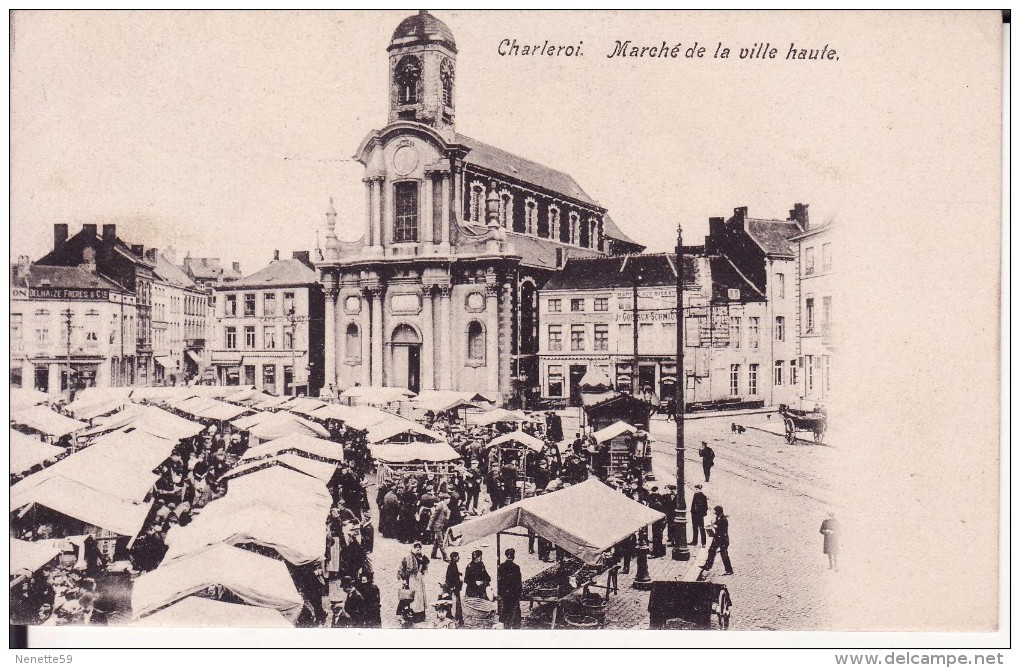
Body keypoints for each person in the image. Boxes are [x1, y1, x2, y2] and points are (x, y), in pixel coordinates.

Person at [396, 542, 430, 624]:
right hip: (411, 579)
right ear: (413, 548)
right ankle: (408, 614)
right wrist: (404, 579)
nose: (418, 550)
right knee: (411, 596)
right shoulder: (408, 557)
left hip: (419, 579)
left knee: (419, 597)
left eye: (419, 548)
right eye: (416, 548)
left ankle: (420, 614)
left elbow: (426, 564)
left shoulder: (421, 557)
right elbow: (402, 569)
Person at [701, 505, 733, 575]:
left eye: (716, 512)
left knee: (724, 555)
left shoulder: (723, 519)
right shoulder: (718, 518)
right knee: (711, 551)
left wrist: (716, 527)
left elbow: (723, 530)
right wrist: (711, 526)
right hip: (717, 538)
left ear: (719, 512)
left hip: (723, 539)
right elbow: (715, 524)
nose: (715, 513)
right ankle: (707, 566)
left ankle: (729, 570)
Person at [496, 548, 523, 629]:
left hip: (504, 593)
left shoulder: (501, 566)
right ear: (513, 556)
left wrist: (500, 593)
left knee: (505, 609)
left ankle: (506, 625)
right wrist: (519, 593)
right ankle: (515, 626)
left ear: (506, 556)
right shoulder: (516, 567)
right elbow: (518, 582)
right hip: (514, 594)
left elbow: (499, 581)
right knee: (515, 610)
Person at [428, 493, 451, 561]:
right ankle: (445, 556)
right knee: (441, 541)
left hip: (441, 525)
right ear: (445, 499)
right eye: (448, 499)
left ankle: (433, 554)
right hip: (438, 526)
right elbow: (433, 516)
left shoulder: (445, 505)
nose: (449, 500)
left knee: (437, 541)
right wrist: (429, 526)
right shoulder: (440, 505)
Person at [445, 551, 463, 623]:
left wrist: (459, 573)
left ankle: (457, 615)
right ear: (455, 557)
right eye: (458, 556)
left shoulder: (453, 564)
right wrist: (452, 586)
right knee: (454, 602)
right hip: (454, 587)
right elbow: (450, 577)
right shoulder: (452, 565)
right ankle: (454, 616)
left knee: (456, 601)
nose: (459, 558)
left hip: (455, 586)